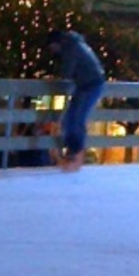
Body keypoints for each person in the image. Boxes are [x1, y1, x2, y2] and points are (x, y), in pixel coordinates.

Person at [47, 29, 107, 173]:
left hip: (90, 85)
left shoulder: (71, 48)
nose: (52, 51)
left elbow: (67, 71)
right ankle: (73, 152)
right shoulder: (75, 44)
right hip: (86, 84)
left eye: (51, 47)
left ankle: (75, 153)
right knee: (70, 118)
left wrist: (56, 77)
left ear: (57, 43)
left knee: (76, 118)